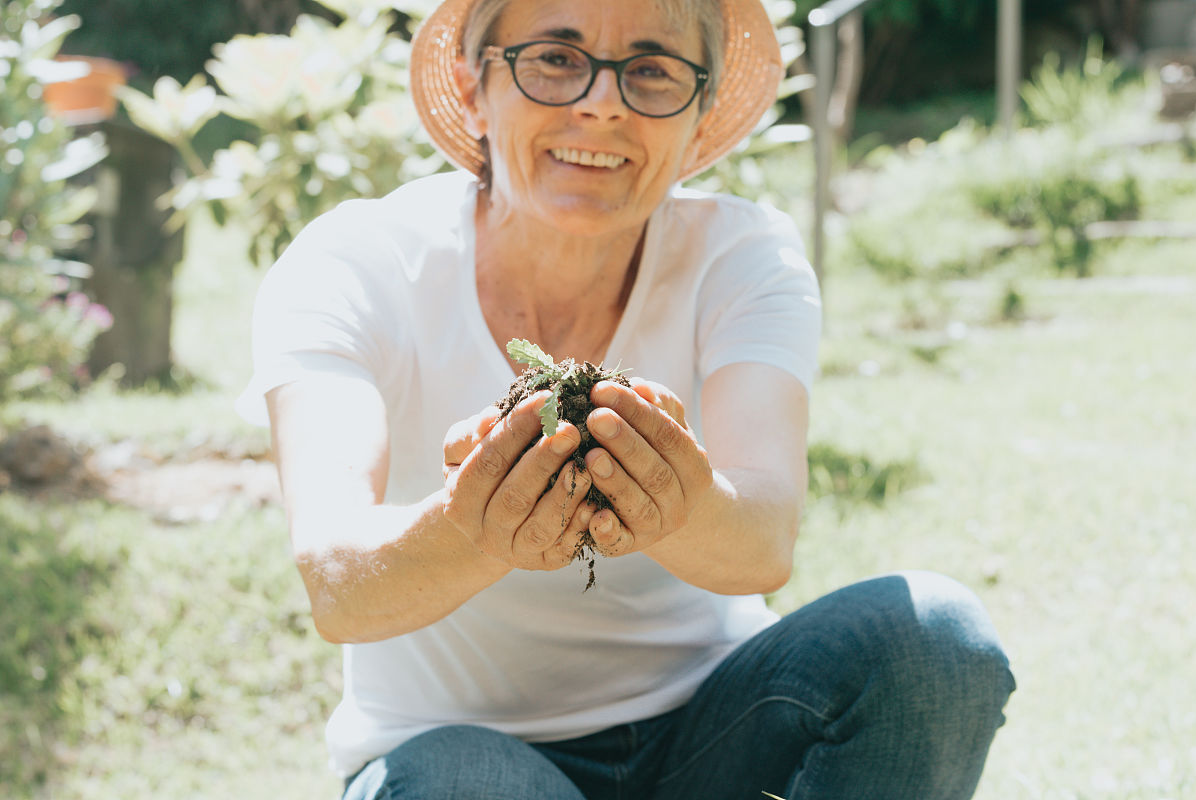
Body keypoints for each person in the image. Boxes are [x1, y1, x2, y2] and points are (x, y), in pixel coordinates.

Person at [237, 0, 1016, 796]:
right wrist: (477, 522)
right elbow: (337, 583)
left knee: (933, 644)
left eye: (651, 70)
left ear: (699, 119)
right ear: (475, 89)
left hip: (709, 729)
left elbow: (764, 542)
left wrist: (675, 498)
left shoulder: (743, 258)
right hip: (459, 753)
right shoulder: (354, 266)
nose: (601, 102)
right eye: (555, 58)